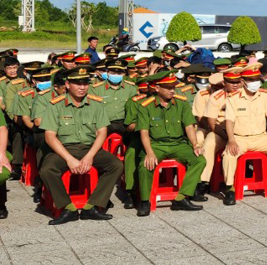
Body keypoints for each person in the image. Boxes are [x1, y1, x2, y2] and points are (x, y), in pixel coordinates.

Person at [39, 67, 123, 225]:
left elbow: (102, 132)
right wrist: (69, 159)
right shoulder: (55, 105)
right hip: (63, 150)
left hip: (89, 148)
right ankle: (67, 208)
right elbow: (49, 136)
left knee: (116, 165)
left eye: (85, 83)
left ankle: (92, 206)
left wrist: (90, 156)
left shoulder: (96, 104)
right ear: (68, 84)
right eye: (78, 83)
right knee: (47, 169)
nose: (82, 87)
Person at [135, 72, 206, 216]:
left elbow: (189, 126)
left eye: (173, 87)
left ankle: (181, 198)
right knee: (145, 165)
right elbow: (144, 132)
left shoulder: (181, 103)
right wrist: (149, 152)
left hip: (178, 143)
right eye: (168, 87)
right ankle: (144, 201)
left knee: (199, 160)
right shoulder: (145, 106)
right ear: (157, 88)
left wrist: (195, 145)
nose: (172, 90)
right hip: (156, 144)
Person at [221, 68, 267, 205]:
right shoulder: (233, 98)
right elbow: (229, 121)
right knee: (229, 154)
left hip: (261, 138)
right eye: (251, 80)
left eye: (256, 80)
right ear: (243, 81)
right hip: (240, 138)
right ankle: (230, 189)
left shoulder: (264, 96)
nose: (254, 83)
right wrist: (231, 140)